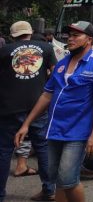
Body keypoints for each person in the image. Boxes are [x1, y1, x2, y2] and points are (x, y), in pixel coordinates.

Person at [15, 21, 93, 202]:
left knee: (68, 178)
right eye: (69, 35)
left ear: (89, 39)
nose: (70, 39)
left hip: (78, 132)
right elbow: (47, 95)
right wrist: (26, 124)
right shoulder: (62, 64)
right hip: (54, 129)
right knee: (55, 176)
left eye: (76, 35)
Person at [0, 21, 57, 202]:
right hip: (38, 105)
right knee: (42, 147)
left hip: (9, 107)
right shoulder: (46, 48)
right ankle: (49, 190)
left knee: (4, 151)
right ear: (30, 33)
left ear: (12, 35)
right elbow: (55, 75)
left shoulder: (3, 51)